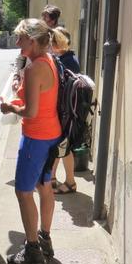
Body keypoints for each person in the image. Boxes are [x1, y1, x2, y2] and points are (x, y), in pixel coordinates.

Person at [0, 18, 68, 264]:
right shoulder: (49, 60)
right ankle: (45, 239)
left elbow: (30, 112)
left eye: (19, 38)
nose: (17, 42)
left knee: (23, 192)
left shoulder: (33, 67)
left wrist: (9, 107)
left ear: (31, 39)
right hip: (52, 134)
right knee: (44, 186)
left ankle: (32, 251)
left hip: (36, 138)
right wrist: (21, 94)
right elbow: (41, 101)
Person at [50, 27, 81, 194]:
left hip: (66, 113)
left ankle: (70, 182)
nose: (50, 44)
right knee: (59, 146)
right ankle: (53, 178)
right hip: (65, 111)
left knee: (63, 147)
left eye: (52, 41)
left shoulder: (66, 62)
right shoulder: (67, 59)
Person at [11, 4, 61, 94]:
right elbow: (20, 58)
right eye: (42, 16)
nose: (42, 19)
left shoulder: (56, 43)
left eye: (45, 17)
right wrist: (16, 76)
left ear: (53, 21)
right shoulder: (34, 33)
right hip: (24, 84)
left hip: (38, 88)